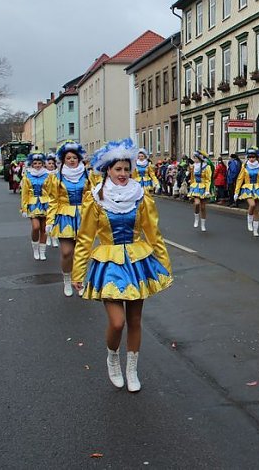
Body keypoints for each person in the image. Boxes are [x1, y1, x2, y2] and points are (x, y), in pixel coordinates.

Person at [72, 138, 173, 392]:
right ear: (108, 170)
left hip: (137, 262)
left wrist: (164, 264)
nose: (123, 174)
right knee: (117, 323)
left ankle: (132, 368)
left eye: (127, 169)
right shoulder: (96, 199)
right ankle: (113, 357)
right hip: (109, 265)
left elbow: (154, 233)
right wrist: (78, 272)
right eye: (118, 169)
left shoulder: (141, 196)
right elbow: (85, 237)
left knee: (135, 320)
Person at [45, 141, 88, 297]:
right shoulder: (57, 177)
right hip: (64, 217)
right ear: (63, 160)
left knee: (81, 253)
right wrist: (50, 221)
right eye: (68, 158)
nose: (71, 160)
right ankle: (67, 279)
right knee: (66, 252)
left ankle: (79, 280)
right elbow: (53, 200)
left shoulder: (87, 175)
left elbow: (93, 197)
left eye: (74, 157)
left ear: (79, 159)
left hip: (83, 216)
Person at [233, 148, 259, 237]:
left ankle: (255, 230)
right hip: (248, 189)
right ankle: (249, 220)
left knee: (257, 211)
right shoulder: (245, 166)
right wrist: (236, 192)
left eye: (253, 157)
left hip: (258, 189)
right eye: (250, 157)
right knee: (252, 205)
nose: (251, 158)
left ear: (256, 157)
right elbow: (240, 179)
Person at [20, 153, 50, 260]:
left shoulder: (48, 175)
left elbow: (52, 191)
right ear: (32, 164)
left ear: (43, 164)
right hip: (32, 204)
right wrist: (24, 208)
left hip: (45, 204)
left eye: (39, 163)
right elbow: (24, 193)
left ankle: (42, 252)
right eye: (35, 163)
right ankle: (35, 248)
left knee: (44, 229)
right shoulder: (27, 175)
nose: (37, 165)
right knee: (35, 227)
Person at [187, 150, 212, 231]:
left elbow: (208, 179)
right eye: (193, 158)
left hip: (203, 187)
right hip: (195, 187)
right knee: (197, 203)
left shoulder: (206, 167)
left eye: (195, 158)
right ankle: (196, 218)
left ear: (199, 158)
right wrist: (190, 183)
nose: (194, 159)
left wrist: (207, 190)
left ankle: (203, 225)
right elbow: (192, 177)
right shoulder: (193, 166)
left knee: (203, 207)